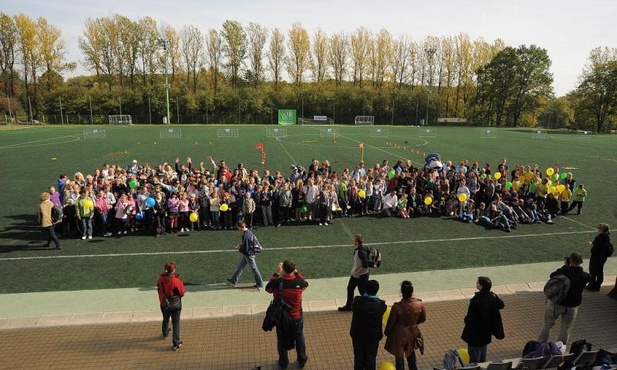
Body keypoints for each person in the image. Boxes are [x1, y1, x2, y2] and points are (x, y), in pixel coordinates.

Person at [538, 252, 592, 345]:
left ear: (570, 260)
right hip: (572, 306)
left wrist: (565, 266)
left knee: (548, 324)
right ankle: (560, 348)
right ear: (581, 261)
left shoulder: (564, 271)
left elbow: (552, 275)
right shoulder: (585, 276)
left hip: (557, 303)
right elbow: (591, 278)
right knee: (566, 328)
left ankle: (540, 344)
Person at [265, 260, 309, 369]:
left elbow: (268, 288)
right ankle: (302, 359)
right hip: (296, 316)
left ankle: (283, 362)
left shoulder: (277, 283)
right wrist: (297, 272)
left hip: (281, 318)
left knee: (281, 338)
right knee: (299, 337)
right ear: (294, 269)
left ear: (283, 269)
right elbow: (305, 283)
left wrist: (276, 274)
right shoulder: (299, 283)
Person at [461, 276, 505, 364]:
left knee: (474, 358)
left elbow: (469, 318)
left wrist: (466, 320)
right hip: (486, 332)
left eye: (477, 283)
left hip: (475, 334)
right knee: (482, 355)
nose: (476, 284)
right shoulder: (493, 297)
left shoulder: (476, 300)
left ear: (481, 286)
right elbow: (501, 305)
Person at [384, 280, 427, 370]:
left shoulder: (397, 307)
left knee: (399, 358)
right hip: (413, 332)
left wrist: (387, 332)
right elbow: (423, 319)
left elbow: (391, 323)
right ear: (412, 291)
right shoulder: (419, 304)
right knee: (411, 356)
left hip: (399, 334)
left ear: (401, 292)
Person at [350, 279, 387, 370]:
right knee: (371, 358)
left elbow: (352, 308)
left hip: (358, 335)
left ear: (365, 289)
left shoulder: (357, 301)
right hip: (373, 337)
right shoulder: (381, 305)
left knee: (358, 358)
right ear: (377, 290)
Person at [156, 261, 186, 351]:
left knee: (165, 318)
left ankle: (165, 332)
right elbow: (181, 292)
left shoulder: (160, 279)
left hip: (164, 303)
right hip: (175, 304)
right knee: (175, 323)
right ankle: (176, 343)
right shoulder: (176, 281)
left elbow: (159, 289)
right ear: (173, 270)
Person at [338, 234, 370, 311]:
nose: (353, 241)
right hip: (356, 275)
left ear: (356, 242)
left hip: (361, 276)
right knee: (350, 289)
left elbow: (365, 265)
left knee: (362, 292)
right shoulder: (358, 249)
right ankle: (349, 306)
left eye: (354, 240)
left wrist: (357, 272)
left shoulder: (361, 251)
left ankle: (369, 306)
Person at [228, 221, 264, 288]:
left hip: (249, 254)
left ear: (239, 227)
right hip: (248, 253)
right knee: (240, 267)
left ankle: (260, 283)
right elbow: (247, 244)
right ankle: (233, 280)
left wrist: (239, 249)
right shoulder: (248, 231)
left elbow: (246, 248)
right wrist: (241, 246)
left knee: (254, 269)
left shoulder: (245, 235)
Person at [587, 223, 612, 291]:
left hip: (596, 257)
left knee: (593, 271)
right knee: (600, 271)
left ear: (601, 230)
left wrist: (591, 245)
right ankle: (597, 285)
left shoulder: (598, 238)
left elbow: (595, 248)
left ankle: (592, 285)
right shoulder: (607, 237)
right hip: (603, 257)